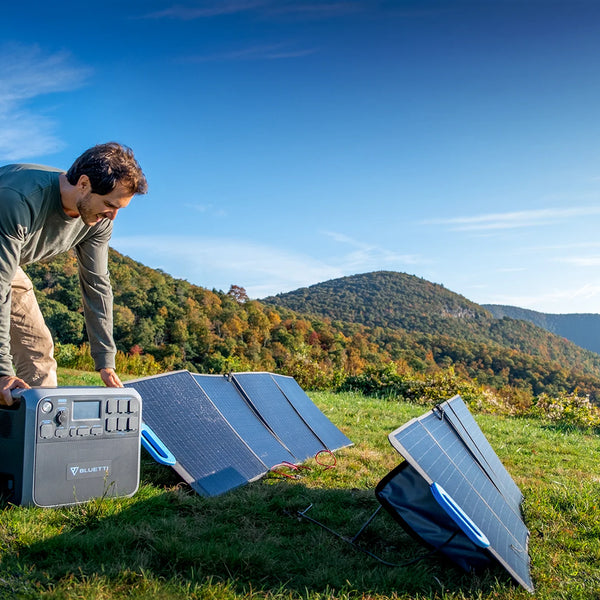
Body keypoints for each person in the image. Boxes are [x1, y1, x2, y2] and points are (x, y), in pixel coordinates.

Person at [0, 142, 148, 405]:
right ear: (83, 184)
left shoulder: (97, 223)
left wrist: (105, 360)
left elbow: (97, 285)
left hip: (6, 267)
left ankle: (39, 434)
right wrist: (2, 372)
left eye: (118, 209)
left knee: (38, 350)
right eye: (108, 204)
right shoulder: (18, 199)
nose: (112, 216)